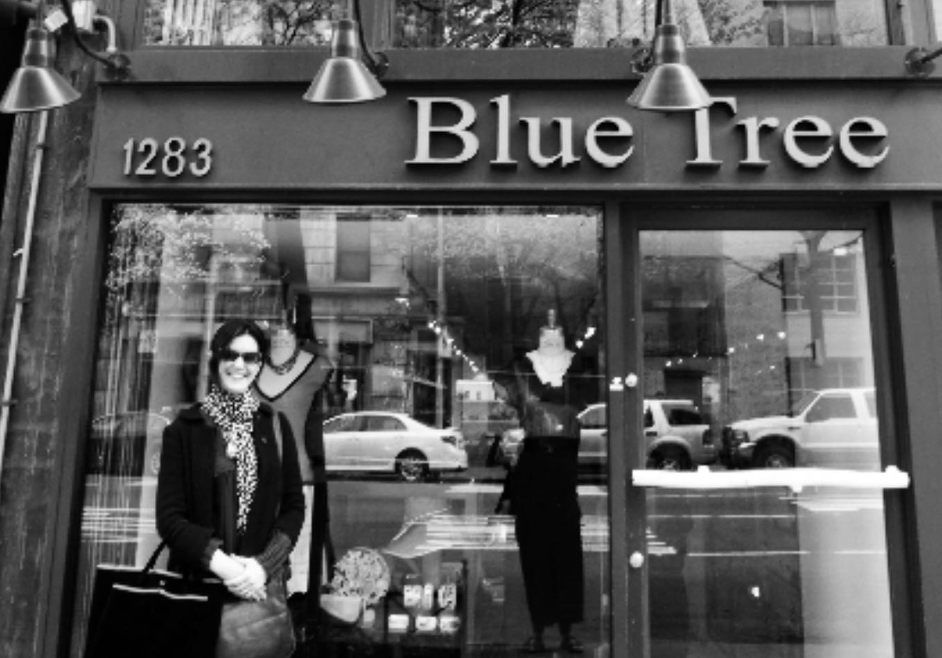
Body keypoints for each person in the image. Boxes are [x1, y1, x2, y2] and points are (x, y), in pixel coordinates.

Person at [156, 318, 305, 605]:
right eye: (230, 354)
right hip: (195, 593)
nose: (240, 365)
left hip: (257, 595)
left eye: (250, 357)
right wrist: (228, 569)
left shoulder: (275, 425)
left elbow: (293, 507)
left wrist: (262, 567)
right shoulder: (183, 431)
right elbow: (170, 519)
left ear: (260, 364)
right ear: (215, 358)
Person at [496, 310, 585, 654]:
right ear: (538, 334)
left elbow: (580, 402)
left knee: (566, 554)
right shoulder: (518, 368)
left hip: (564, 472)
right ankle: (538, 629)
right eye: (545, 330)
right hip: (533, 470)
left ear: (564, 333)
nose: (551, 332)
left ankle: (565, 630)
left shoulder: (579, 365)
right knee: (534, 553)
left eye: (557, 329)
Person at [254, 313, 334, 636]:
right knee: (255, 570)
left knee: (296, 575)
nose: (280, 331)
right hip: (252, 479)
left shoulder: (318, 367)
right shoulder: (249, 364)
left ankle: (293, 633)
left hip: (299, 480)